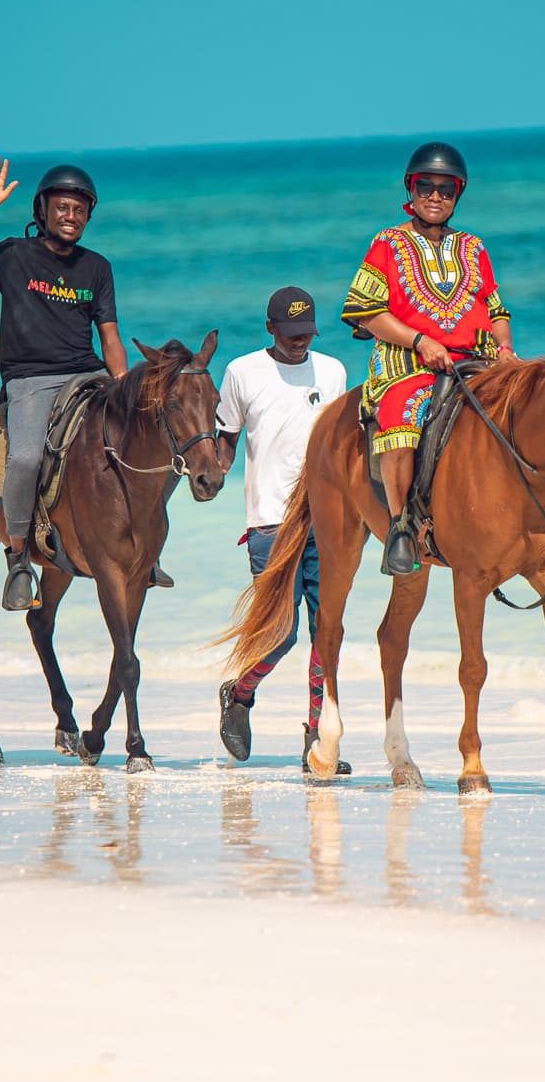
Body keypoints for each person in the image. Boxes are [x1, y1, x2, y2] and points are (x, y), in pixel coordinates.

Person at [0, 156, 135, 611]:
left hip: (87, 374)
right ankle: (17, 560)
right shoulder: (14, 254)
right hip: (30, 380)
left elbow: (109, 337)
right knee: (28, 457)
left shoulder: (97, 268)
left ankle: (141, 550)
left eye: (80, 210)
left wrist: (124, 385)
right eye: (62, 208)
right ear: (43, 211)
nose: (71, 217)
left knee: (138, 442)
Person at [339, 141, 516, 575]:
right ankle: (401, 526)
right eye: (426, 187)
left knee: (538, 404)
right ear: (410, 190)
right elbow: (366, 311)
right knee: (402, 418)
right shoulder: (388, 242)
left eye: (446, 189)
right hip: (409, 363)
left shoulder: (473, 247)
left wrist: (507, 351)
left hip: (479, 360)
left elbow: (496, 312)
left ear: (457, 195)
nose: (435, 196)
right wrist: (420, 342)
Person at [212, 287, 352, 774]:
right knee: (280, 632)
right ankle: (239, 693)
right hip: (269, 520)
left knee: (327, 632)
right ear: (270, 328)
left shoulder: (332, 371)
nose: (299, 343)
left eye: (307, 334)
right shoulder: (241, 372)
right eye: (291, 335)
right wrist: (208, 477)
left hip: (327, 520)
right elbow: (225, 439)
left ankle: (317, 738)